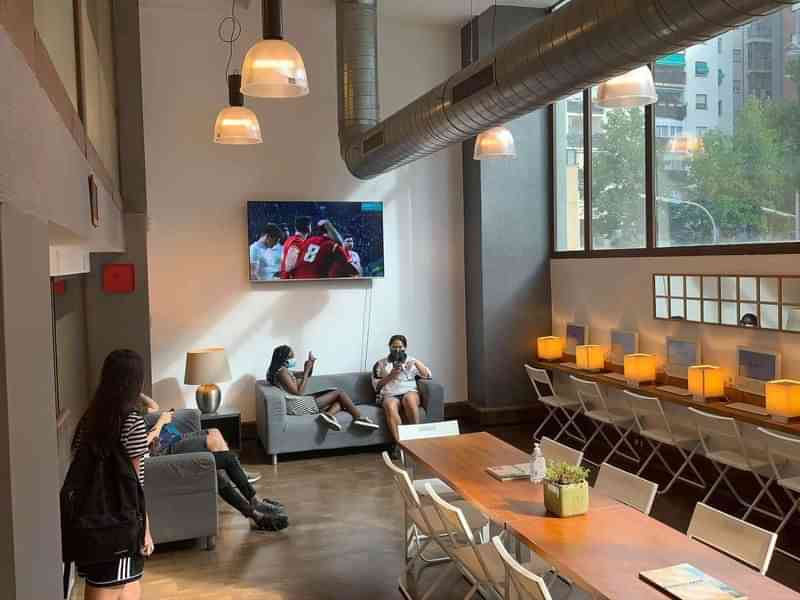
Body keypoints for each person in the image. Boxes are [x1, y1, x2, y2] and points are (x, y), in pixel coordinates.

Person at [69, 350, 152, 599]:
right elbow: (133, 484)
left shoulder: (90, 419)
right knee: (115, 583)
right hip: (121, 523)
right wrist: (145, 528)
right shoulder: (132, 422)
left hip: (92, 521)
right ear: (135, 381)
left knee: (119, 582)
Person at [139, 395, 288, 532]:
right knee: (223, 458)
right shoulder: (123, 420)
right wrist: (161, 422)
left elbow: (153, 406)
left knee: (215, 434)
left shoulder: (130, 409)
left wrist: (139, 393)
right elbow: (142, 445)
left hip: (171, 438)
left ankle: (251, 503)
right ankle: (251, 498)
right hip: (163, 451)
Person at [266, 345, 379, 431]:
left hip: (299, 402)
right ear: (283, 358)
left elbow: (306, 374)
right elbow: (298, 393)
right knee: (339, 393)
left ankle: (328, 415)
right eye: (291, 357)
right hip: (297, 405)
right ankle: (359, 417)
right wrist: (305, 373)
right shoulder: (282, 372)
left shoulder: (284, 371)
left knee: (341, 400)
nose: (293, 359)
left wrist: (310, 365)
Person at [372, 335, 432, 447]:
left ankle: (416, 439)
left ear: (405, 347)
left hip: (409, 392)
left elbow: (427, 376)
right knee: (390, 405)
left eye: (400, 346)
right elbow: (377, 387)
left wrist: (416, 363)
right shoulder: (380, 364)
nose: (397, 349)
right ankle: (400, 444)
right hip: (390, 395)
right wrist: (391, 375)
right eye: (394, 347)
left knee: (409, 399)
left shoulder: (411, 360)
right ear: (389, 347)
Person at [293, 220, 358, 279]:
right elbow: (353, 271)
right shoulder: (332, 245)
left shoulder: (308, 241)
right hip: (317, 282)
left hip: (299, 279)